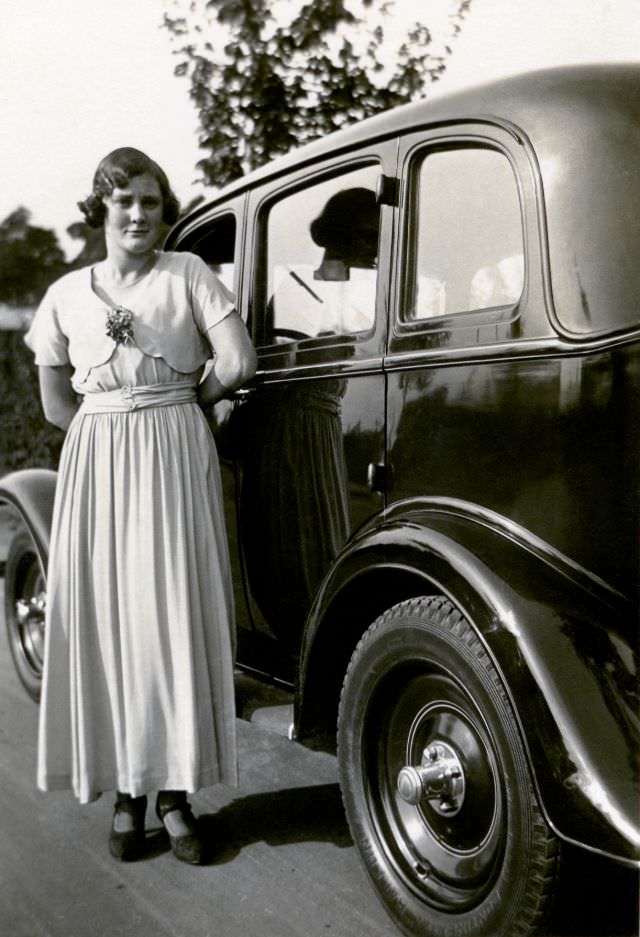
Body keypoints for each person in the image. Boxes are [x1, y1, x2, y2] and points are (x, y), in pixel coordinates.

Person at [24, 147, 257, 865]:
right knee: (111, 617)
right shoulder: (64, 294)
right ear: (100, 209)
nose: (137, 214)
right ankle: (126, 790)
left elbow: (239, 360)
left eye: (151, 203)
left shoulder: (186, 275)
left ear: (165, 211)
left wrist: (185, 404)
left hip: (174, 454)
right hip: (99, 462)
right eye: (123, 201)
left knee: (172, 615)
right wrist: (120, 426)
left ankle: (175, 793)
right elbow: (57, 402)